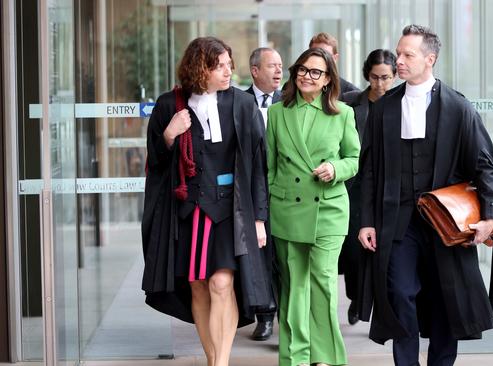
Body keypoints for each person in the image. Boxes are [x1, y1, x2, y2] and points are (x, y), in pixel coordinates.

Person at [357, 25, 493, 366]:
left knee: (446, 299)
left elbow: (483, 163)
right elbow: (368, 169)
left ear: (430, 59)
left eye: (407, 55)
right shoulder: (384, 109)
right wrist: (366, 221)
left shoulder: (458, 107)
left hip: (447, 223)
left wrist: (490, 215)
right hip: (397, 222)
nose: (399, 60)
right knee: (399, 294)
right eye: (398, 53)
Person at [141, 37, 272, 366]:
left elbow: (258, 166)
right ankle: (214, 357)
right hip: (187, 210)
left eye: (230, 64)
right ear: (201, 68)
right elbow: (154, 163)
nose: (229, 71)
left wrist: (259, 218)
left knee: (221, 282)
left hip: (232, 210)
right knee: (198, 284)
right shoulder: (169, 105)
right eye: (221, 66)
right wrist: (169, 135)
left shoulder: (242, 105)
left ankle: (220, 362)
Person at [266, 47, 360, 366]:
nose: (308, 76)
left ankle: (326, 357)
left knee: (323, 282)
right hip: (287, 211)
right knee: (293, 287)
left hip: (328, 210)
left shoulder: (342, 113)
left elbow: (354, 159)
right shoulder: (277, 113)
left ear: (328, 79)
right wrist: (271, 200)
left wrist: (336, 169)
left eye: (316, 72)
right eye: (303, 69)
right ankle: (295, 357)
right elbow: (270, 166)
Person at [340, 49, 397, 325]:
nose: (380, 84)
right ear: (367, 75)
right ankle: (356, 298)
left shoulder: (401, 104)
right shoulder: (350, 103)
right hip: (356, 185)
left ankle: (378, 304)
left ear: (395, 76)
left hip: (390, 186)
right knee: (354, 248)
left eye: (386, 78)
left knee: (385, 249)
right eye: (374, 77)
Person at [244, 46, 284, 342]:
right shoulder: (238, 102)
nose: (279, 71)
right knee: (261, 253)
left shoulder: (291, 100)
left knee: (283, 256)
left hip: (284, 188)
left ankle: (288, 323)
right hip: (251, 188)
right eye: (272, 66)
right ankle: (265, 315)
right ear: (255, 70)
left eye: (281, 65)